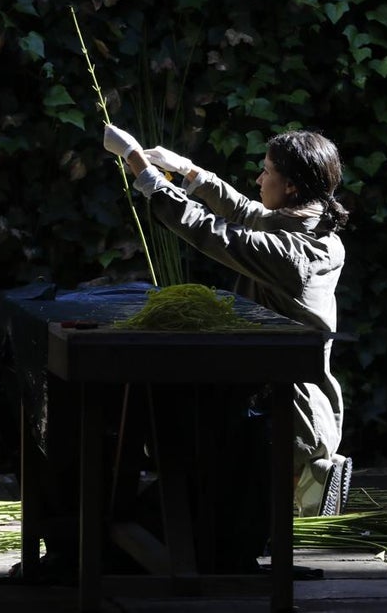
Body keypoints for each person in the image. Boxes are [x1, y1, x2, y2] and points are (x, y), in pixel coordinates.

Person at [102, 123, 351, 518]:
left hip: (286, 415)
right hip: (271, 399)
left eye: (267, 171)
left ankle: (302, 482)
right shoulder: (313, 226)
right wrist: (187, 169)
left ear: (291, 186)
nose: (259, 180)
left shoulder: (295, 255)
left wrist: (140, 167)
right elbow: (245, 212)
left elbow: (213, 232)